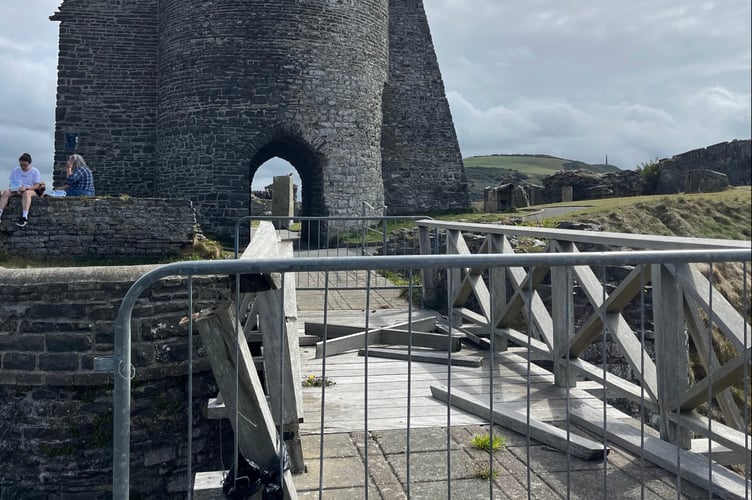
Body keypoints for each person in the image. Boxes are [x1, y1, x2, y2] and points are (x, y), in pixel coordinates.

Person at [0, 152, 42, 227]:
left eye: (25, 165)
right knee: (6, 192)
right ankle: (0, 212)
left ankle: (24, 217)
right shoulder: (15, 170)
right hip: (17, 189)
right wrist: (15, 188)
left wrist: (27, 188)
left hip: (30, 190)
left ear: (29, 163)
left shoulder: (35, 171)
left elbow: (37, 185)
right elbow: (11, 183)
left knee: (26, 194)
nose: (23, 167)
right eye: (21, 165)